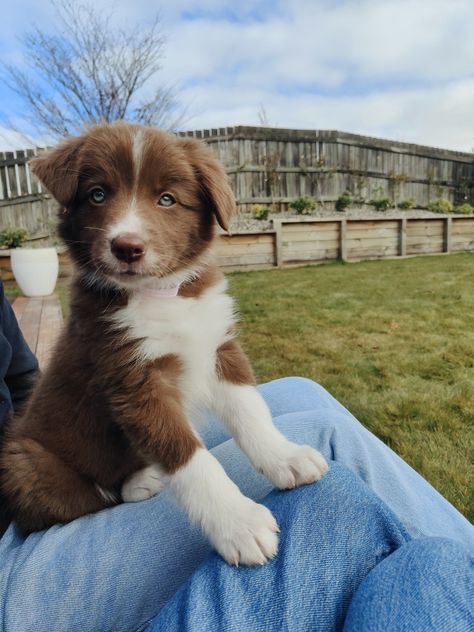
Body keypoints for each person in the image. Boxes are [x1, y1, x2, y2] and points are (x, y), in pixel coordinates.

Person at [0, 280, 472, 632]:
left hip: (93, 457)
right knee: (327, 456)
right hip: (26, 538)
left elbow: (22, 380)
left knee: (302, 393)